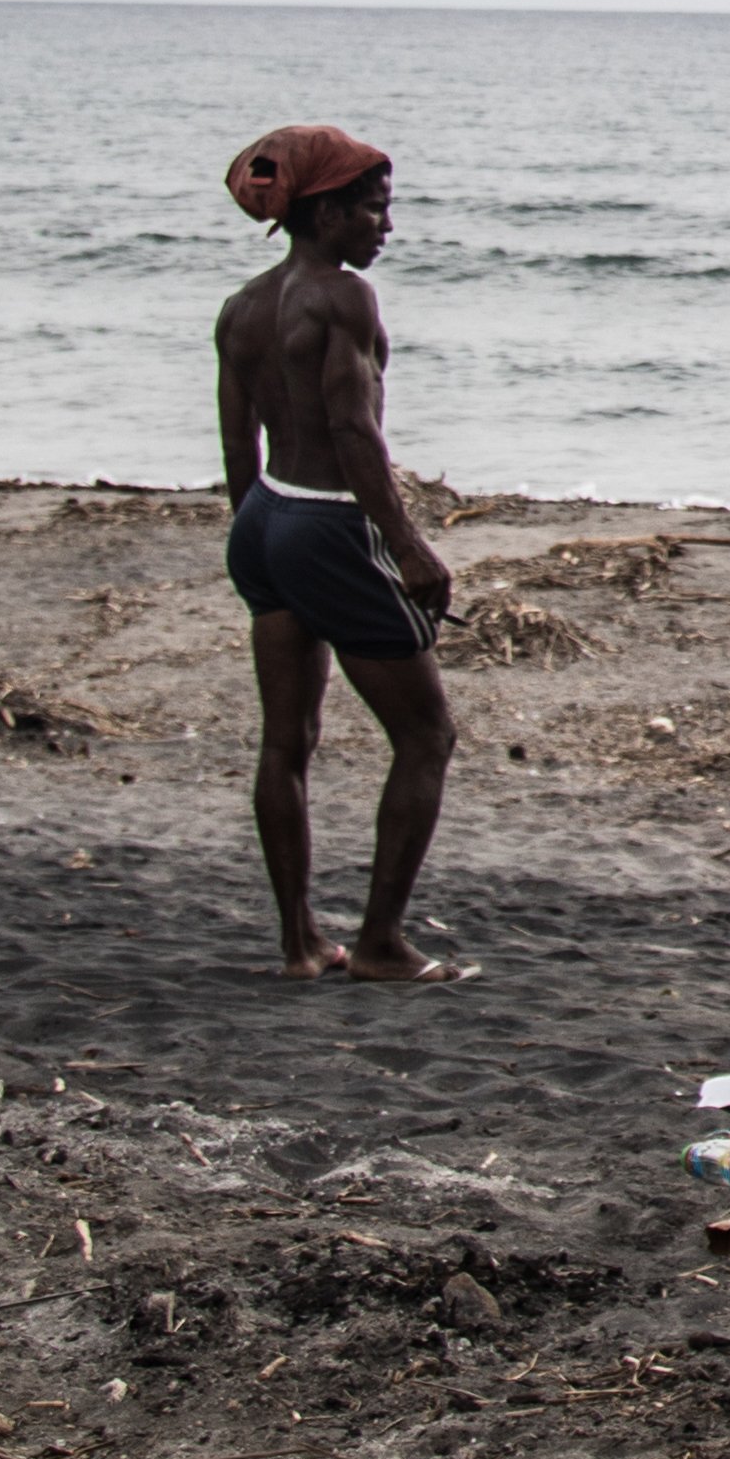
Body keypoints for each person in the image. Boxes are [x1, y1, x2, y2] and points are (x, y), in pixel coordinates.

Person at [214, 122, 463, 982]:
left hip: (265, 520)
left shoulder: (242, 305)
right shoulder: (344, 297)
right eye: (373, 209)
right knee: (427, 733)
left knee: (286, 741)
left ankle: (299, 941)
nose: (385, 227)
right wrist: (409, 546)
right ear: (324, 213)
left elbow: (237, 446)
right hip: (323, 521)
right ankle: (383, 943)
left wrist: (260, 546)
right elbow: (354, 429)